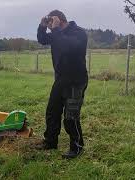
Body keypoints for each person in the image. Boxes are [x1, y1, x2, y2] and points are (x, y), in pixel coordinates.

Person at [35, 10, 88, 159]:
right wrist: (42, 26)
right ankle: (50, 142)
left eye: (51, 23)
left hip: (76, 81)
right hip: (61, 80)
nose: (51, 28)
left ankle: (77, 147)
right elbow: (42, 39)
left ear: (59, 21)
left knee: (71, 117)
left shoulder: (79, 33)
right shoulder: (57, 34)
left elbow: (67, 47)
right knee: (52, 112)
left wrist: (56, 28)